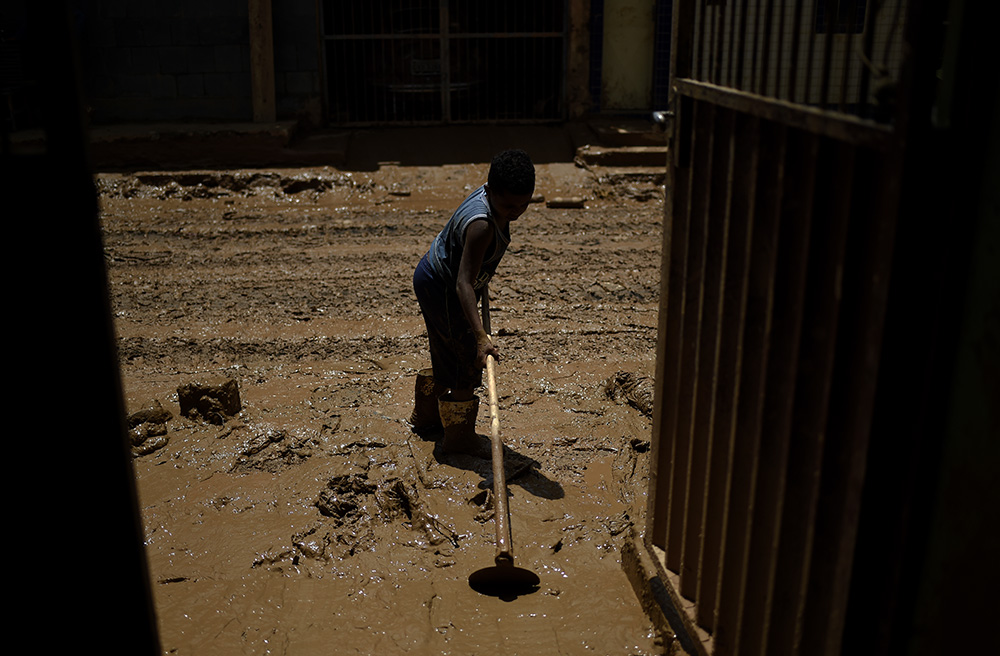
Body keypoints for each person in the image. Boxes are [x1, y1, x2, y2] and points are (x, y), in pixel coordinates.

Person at [410, 149, 535, 455]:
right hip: (444, 288)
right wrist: (481, 338)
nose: (515, 212)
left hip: (433, 275)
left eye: (524, 205)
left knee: (447, 350)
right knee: (466, 362)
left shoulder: (490, 199)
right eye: (508, 206)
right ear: (490, 191)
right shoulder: (481, 226)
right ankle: (459, 439)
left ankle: (426, 419)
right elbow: (463, 283)